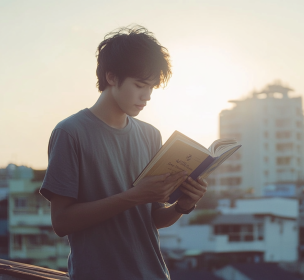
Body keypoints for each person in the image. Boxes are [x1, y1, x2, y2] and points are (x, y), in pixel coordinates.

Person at [39, 26, 208, 280]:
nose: (147, 96)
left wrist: (182, 206)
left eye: (151, 87)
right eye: (140, 85)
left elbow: (150, 220)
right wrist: (133, 196)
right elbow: (61, 222)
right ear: (111, 77)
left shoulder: (151, 134)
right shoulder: (70, 133)